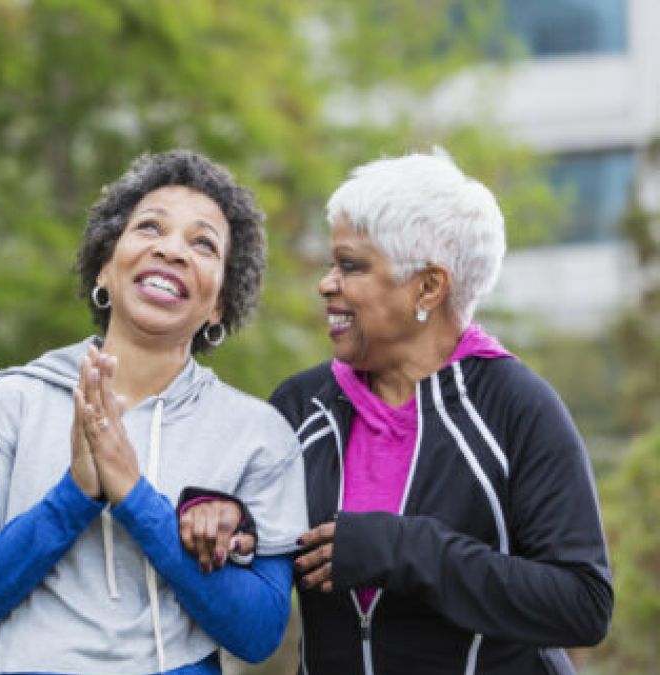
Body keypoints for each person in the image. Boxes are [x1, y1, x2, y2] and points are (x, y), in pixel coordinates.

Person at [179, 150, 613, 675]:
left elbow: (582, 604)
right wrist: (223, 517)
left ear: (428, 286)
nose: (326, 283)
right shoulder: (300, 407)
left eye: (351, 265)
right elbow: (252, 563)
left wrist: (403, 549)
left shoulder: (516, 406)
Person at [0, 150, 308, 675]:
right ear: (106, 264)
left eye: (203, 243)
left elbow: (259, 633)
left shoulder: (257, 435)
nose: (171, 250)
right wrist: (73, 498)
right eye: (150, 227)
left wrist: (136, 500)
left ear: (220, 302)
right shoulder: (14, 401)